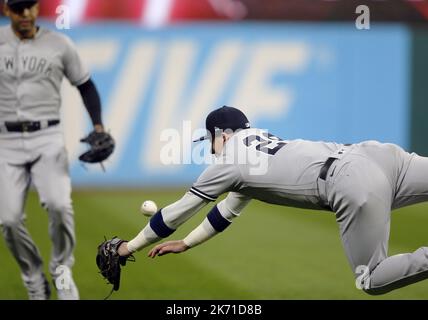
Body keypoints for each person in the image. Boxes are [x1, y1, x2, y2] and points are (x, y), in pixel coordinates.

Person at [116, 105, 428, 295]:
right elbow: (225, 213)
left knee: (370, 279)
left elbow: (174, 214)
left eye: (210, 140)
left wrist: (127, 248)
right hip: (380, 156)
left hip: (351, 181)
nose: (210, 149)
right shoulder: (261, 145)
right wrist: (186, 244)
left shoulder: (229, 161)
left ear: (222, 135)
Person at [0, 0, 108, 299]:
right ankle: (33, 277)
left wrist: (98, 127)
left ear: (37, 9)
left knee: (60, 206)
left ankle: (62, 270)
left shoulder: (59, 43)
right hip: (4, 141)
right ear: (6, 10)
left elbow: (85, 85)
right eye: (18, 8)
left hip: (47, 136)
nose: (25, 14)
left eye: (30, 7)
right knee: (8, 220)